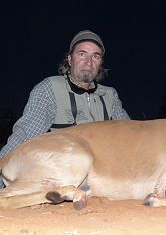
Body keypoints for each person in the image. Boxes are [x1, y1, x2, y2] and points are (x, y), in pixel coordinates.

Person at [0, 30, 129, 161]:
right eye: (82, 54)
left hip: (105, 169)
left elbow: (130, 135)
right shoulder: (49, 88)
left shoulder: (110, 95)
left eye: (96, 56)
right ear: (70, 59)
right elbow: (25, 137)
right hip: (65, 170)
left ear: (100, 63)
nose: (89, 62)